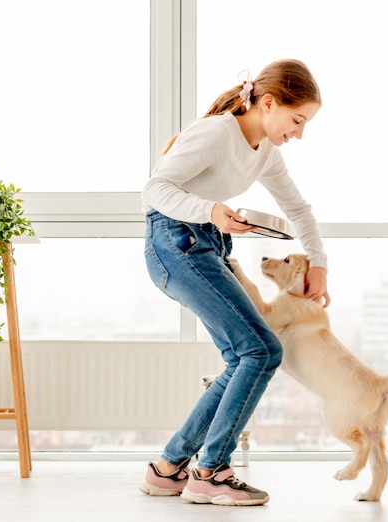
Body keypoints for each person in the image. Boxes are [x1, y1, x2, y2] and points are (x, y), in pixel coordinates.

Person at [138, 58, 329, 506]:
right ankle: (210, 473)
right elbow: (154, 190)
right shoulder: (216, 133)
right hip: (174, 243)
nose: (299, 133)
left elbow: (299, 210)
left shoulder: (264, 151)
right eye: (297, 120)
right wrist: (211, 211)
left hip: (203, 245)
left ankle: (168, 468)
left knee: (245, 356)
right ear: (267, 103)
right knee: (261, 351)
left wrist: (318, 263)